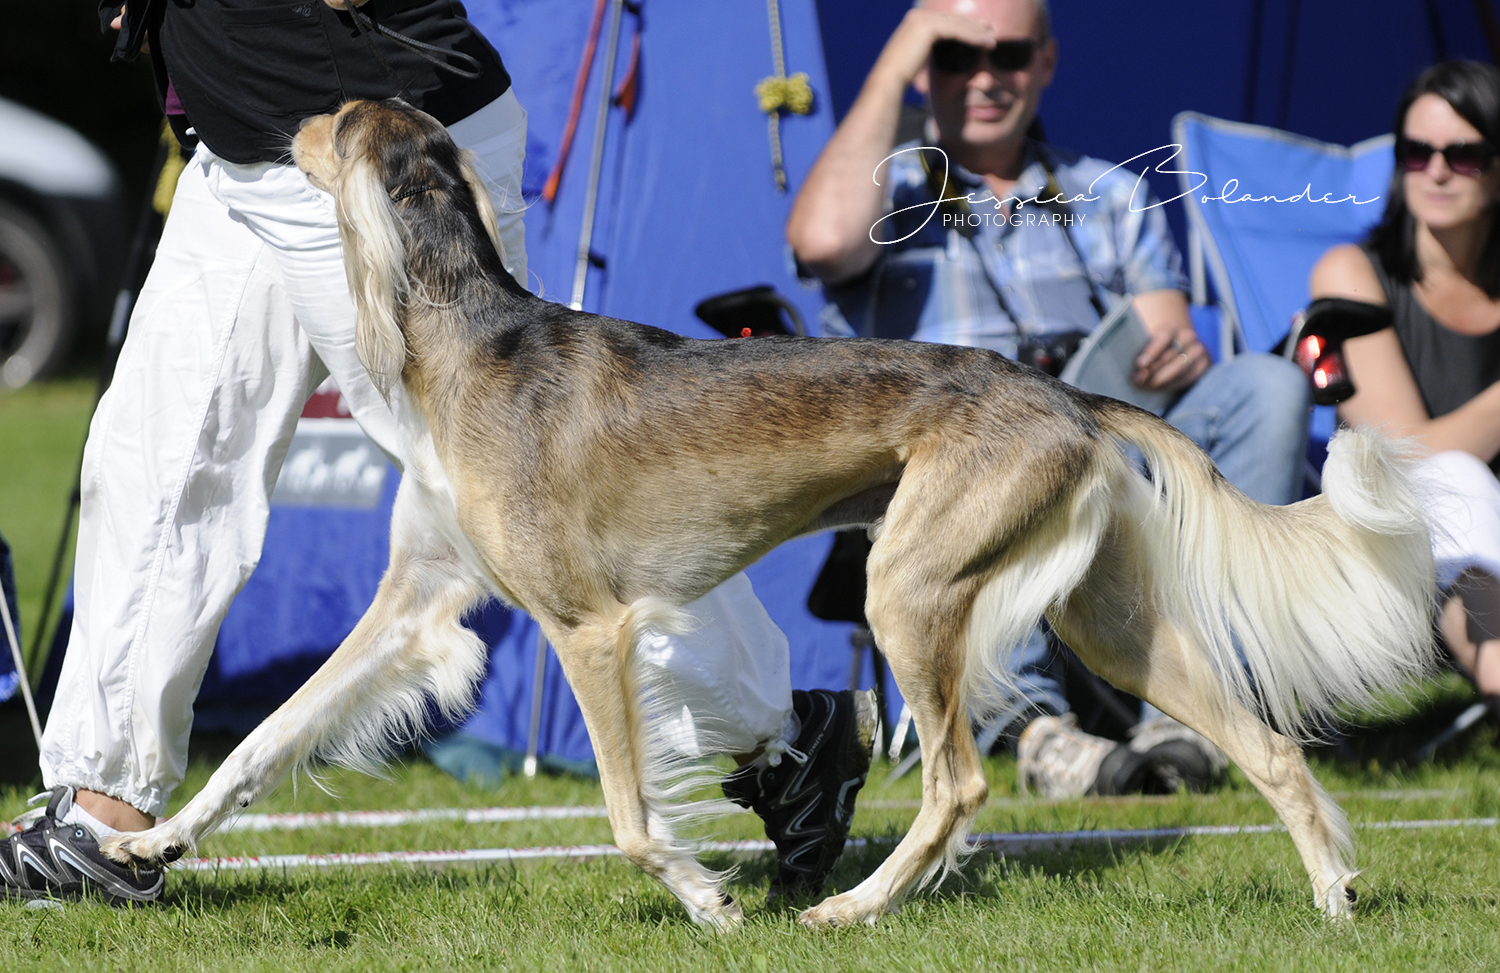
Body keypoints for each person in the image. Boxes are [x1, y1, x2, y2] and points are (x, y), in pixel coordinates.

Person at [0, 0, 869, 907]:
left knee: (540, 525)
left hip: (386, 153)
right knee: (149, 454)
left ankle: (785, 737)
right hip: (242, 142)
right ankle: (101, 815)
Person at [786, 0, 1312, 797]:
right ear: (926, 68)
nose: (987, 77)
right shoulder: (886, 191)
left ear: (1048, 63)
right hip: (948, 474)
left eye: (1011, 56)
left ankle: (1200, 706)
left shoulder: (1111, 194)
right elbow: (821, 242)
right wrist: (899, 62)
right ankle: (1038, 732)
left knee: (1268, 384)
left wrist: (1177, 351)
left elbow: (1162, 333)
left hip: (1105, 452)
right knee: (998, 469)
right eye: (957, 56)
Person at [1310, 60, 1500, 708]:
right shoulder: (1351, 274)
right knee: (1459, 480)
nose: (1438, 171)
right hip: (1402, 546)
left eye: (1464, 154)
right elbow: (1408, 452)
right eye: (1418, 153)